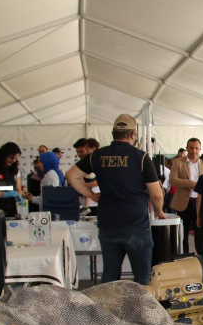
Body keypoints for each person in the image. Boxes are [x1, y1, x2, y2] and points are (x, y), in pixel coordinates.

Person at [66, 114, 166, 285]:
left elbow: (72, 175)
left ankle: (108, 310)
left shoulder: (97, 155)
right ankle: (141, 311)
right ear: (133, 135)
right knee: (142, 278)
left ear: (113, 133)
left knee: (110, 275)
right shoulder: (140, 157)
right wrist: (159, 210)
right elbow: (156, 194)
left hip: (108, 224)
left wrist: (92, 195)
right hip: (136, 225)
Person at [171, 138, 203, 254]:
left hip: (200, 203)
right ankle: (185, 256)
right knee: (183, 233)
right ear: (187, 148)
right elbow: (172, 180)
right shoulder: (178, 162)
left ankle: (201, 258)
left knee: (200, 232)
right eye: (191, 147)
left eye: (196, 148)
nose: (194, 151)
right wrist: (190, 183)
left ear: (200, 149)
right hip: (183, 202)